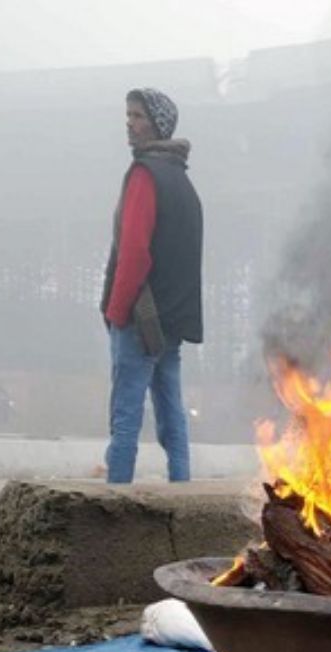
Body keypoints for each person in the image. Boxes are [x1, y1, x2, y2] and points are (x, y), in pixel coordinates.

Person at [100, 87, 204, 484]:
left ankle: (115, 498)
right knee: (171, 411)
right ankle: (182, 489)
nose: (130, 124)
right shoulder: (183, 182)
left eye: (138, 116)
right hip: (172, 321)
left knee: (125, 417)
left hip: (140, 318)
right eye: (128, 115)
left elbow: (134, 253)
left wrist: (116, 311)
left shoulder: (145, 176)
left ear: (158, 124)